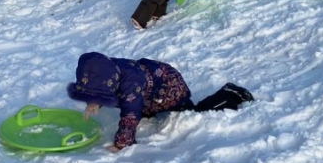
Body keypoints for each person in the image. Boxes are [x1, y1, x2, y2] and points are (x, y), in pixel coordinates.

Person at [66, 52, 254, 152]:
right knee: (137, 100)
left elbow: (131, 114)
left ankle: (231, 94)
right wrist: (95, 102)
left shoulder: (131, 84)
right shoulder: (108, 69)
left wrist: (122, 144)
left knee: (193, 113)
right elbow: (101, 88)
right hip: (152, 83)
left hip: (169, 88)